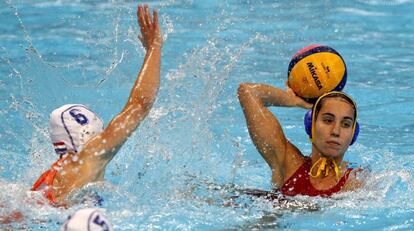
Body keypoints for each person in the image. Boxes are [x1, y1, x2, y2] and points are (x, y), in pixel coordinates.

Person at [31, 4, 162, 206]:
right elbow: (139, 105)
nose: (104, 138)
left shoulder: (50, 178)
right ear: (86, 136)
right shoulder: (89, 157)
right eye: (98, 134)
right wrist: (154, 47)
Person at [237, 83, 364, 197]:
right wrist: (292, 100)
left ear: (353, 134)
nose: (336, 131)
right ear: (311, 125)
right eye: (328, 120)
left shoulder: (354, 182)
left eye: (346, 124)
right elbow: (248, 92)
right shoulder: (288, 164)